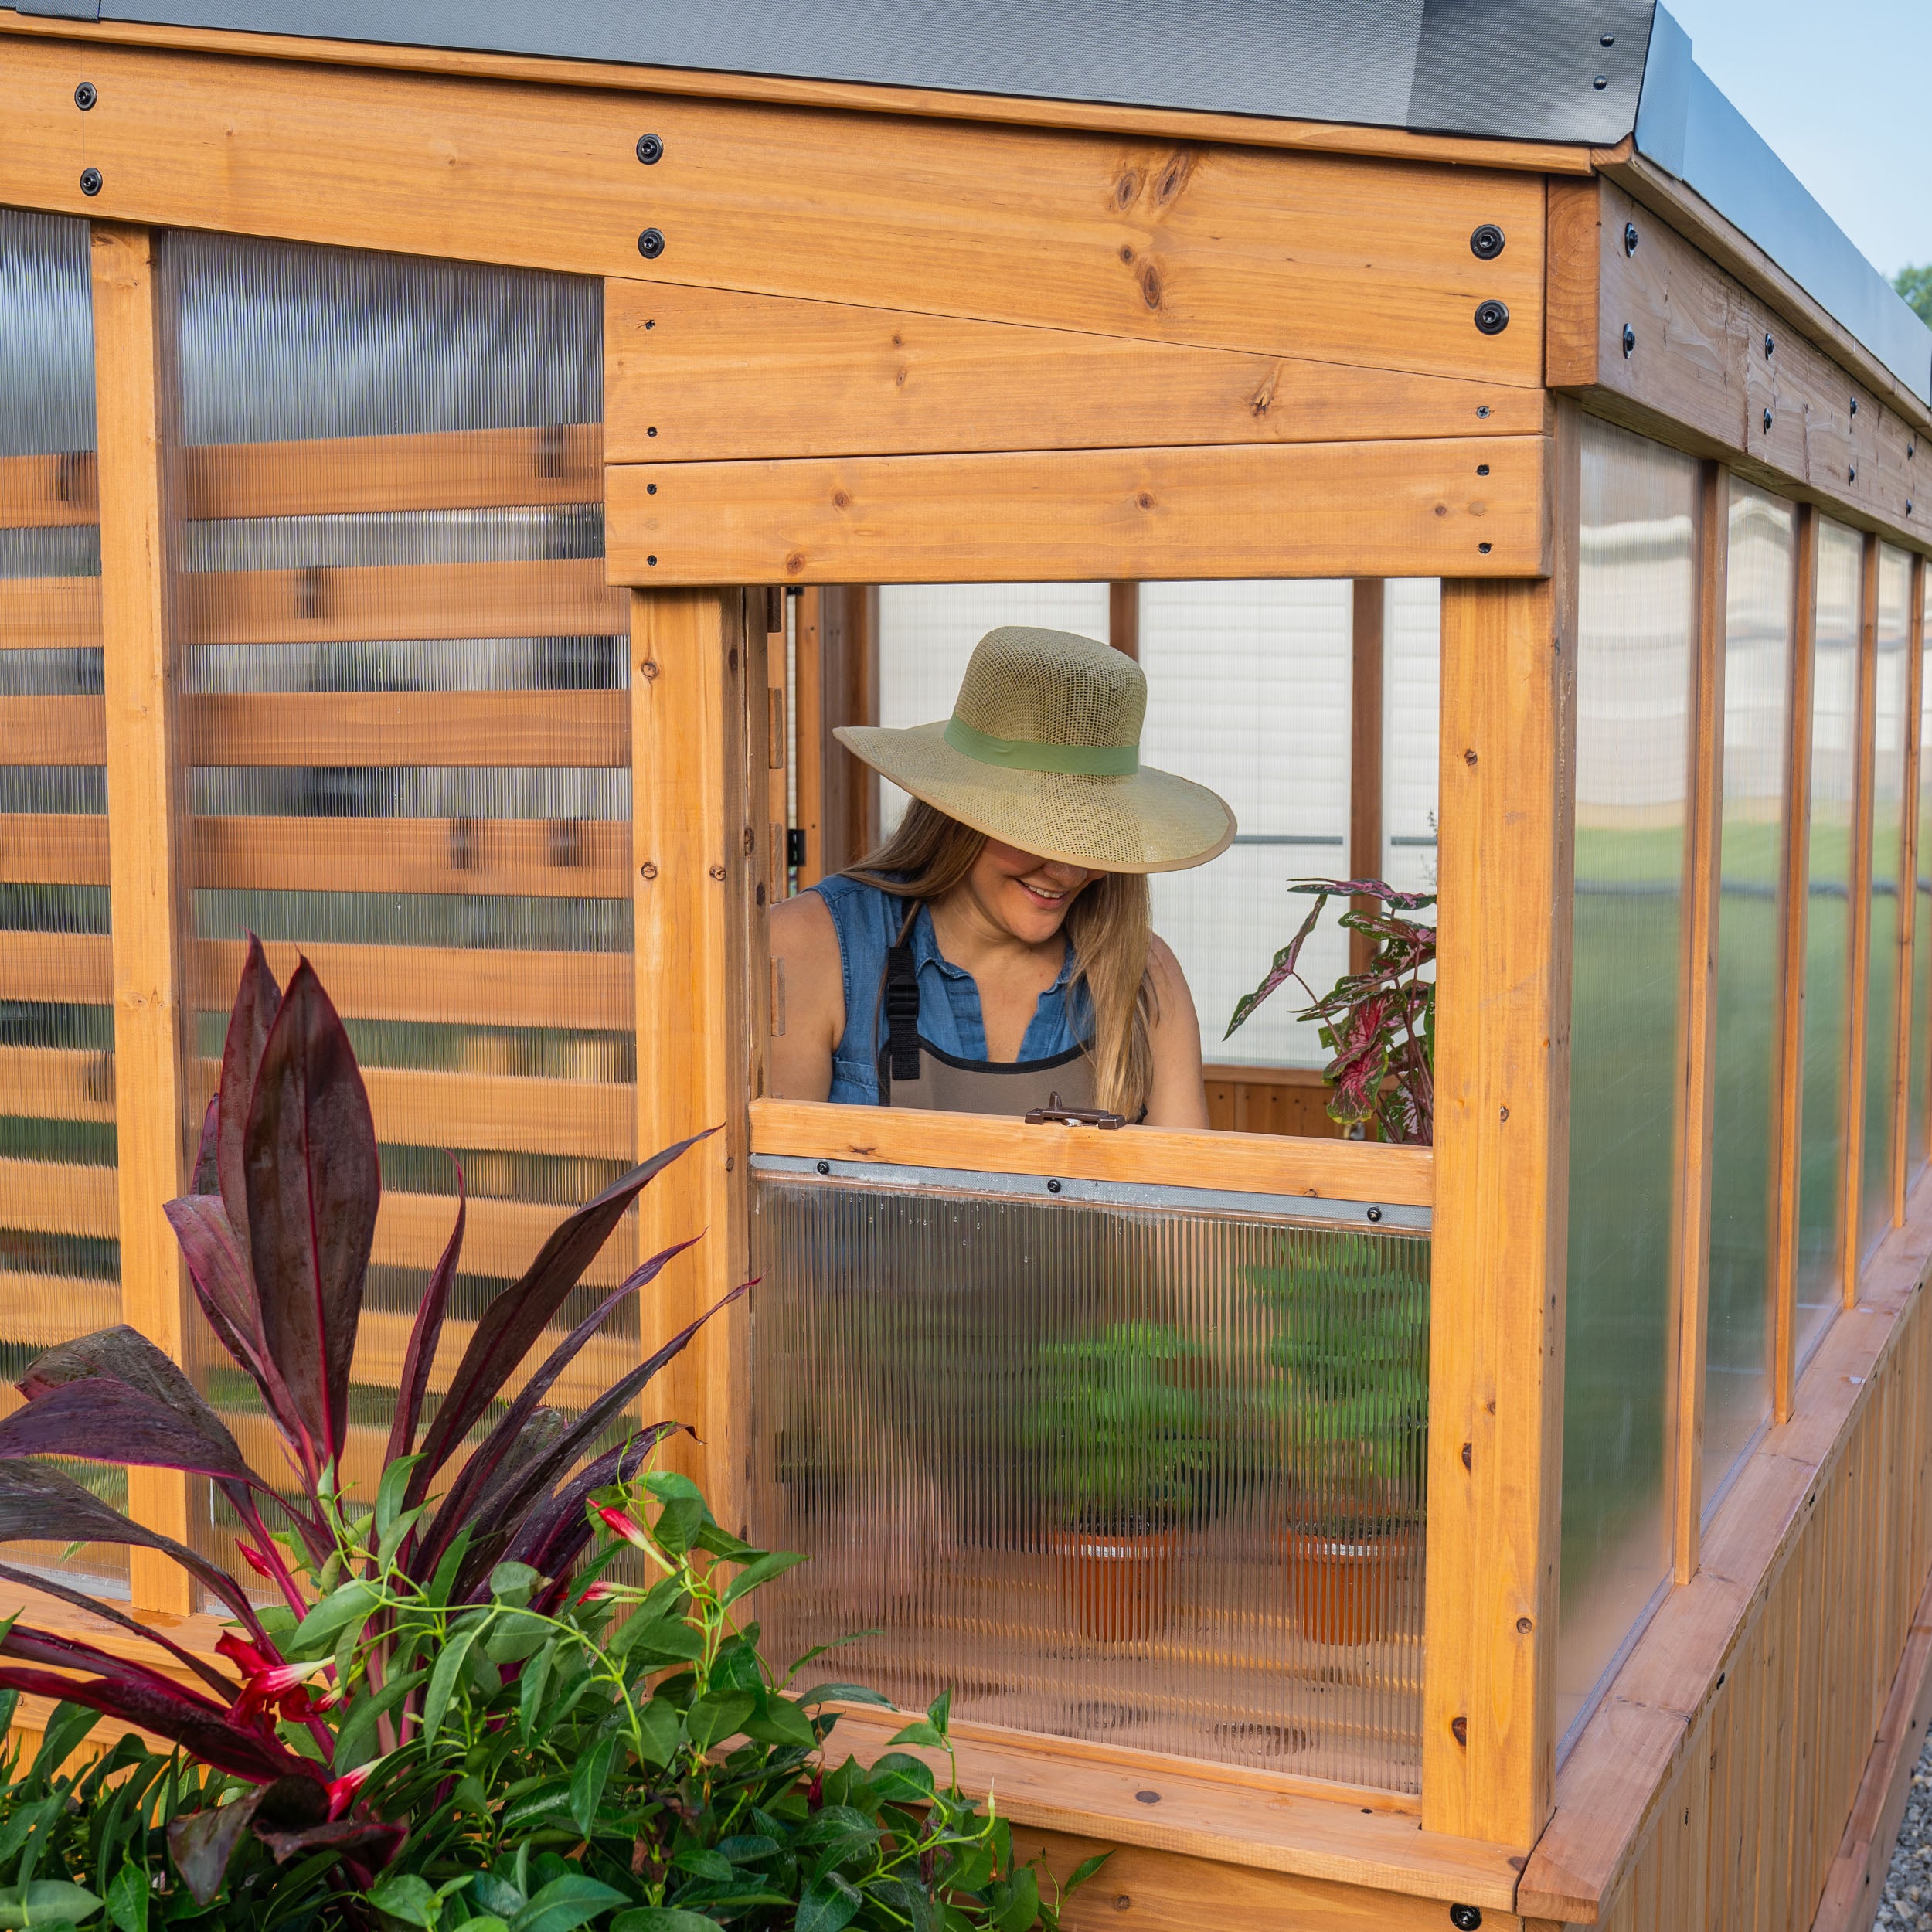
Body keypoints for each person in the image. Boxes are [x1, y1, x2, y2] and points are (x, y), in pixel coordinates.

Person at [769, 624, 1236, 1128]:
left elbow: (1174, 1202)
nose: (1070, 871)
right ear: (959, 818)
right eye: (1038, 833)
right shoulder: (811, 945)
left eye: (1093, 837)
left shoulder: (1147, 978)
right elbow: (774, 1197)